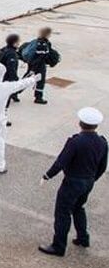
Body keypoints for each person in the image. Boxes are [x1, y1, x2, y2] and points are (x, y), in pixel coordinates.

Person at [38, 107, 107, 257]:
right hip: (88, 181)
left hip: (73, 181)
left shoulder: (75, 142)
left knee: (63, 213)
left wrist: (47, 175)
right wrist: (92, 179)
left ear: (80, 123)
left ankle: (58, 246)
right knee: (79, 208)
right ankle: (83, 238)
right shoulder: (102, 142)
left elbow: (61, 162)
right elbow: (103, 166)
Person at [26, 27, 53, 105]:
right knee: (37, 81)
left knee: (29, 78)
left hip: (34, 63)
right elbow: (40, 57)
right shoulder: (42, 44)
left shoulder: (38, 41)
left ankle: (15, 92)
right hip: (38, 65)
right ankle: (38, 97)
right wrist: (33, 69)